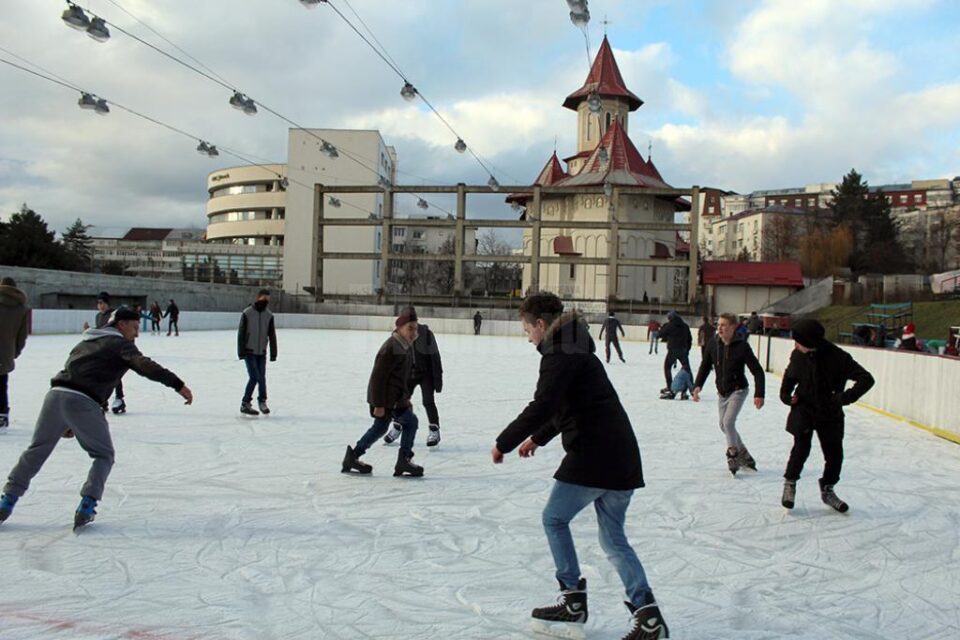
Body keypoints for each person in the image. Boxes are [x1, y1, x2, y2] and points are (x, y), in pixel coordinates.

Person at [491, 292, 669, 640]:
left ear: (541, 325)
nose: (527, 337)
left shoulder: (559, 354)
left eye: (527, 329)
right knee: (614, 540)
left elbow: (543, 405)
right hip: (621, 456)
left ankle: (572, 599)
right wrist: (537, 439)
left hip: (594, 455)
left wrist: (504, 442)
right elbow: (565, 406)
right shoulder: (575, 347)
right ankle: (648, 617)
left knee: (553, 519)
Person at [0, 307, 193, 529]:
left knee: (36, 450)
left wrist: (68, 418)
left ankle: (7, 501)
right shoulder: (119, 344)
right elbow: (144, 366)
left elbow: (77, 371)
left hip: (55, 397)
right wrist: (177, 384)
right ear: (121, 325)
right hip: (82, 401)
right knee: (104, 455)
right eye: (134, 327)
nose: (136, 334)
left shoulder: (85, 342)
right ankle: (87, 505)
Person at [779, 319, 874, 513]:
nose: (795, 344)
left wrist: (844, 398)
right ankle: (790, 483)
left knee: (834, 455)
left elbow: (866, 379)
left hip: (829, 412)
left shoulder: (838, 357)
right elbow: (789, 378)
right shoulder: (798, 355)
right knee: (800, 449)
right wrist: (787, 397)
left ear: (810, 341)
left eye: (798, 341)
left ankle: (828, 489)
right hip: (804, 409)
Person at [341, 308, 423, 477]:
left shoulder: (404, 345)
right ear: (400, 328)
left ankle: (354, 456)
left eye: (416, 328)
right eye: (410, 328)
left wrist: (405, 398)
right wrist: (378, 405)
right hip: (384, 399)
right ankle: (403, 460)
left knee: (382, 428)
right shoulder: (392, 347)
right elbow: (378, 378)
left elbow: (402, 378)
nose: (414, 332)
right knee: (408, 422)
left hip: (394, 399)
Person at [692, 313, 766, 475]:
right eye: (719, 324)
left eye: (724, 325)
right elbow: (705, 366)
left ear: (733, 327)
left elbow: (758, 371)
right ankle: (744, 453)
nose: (720, 327)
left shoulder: (742, 346)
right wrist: (697, 385)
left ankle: (732, 453)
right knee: (723, 425)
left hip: (738, 390)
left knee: (728, 422)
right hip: (722, 392)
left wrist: (759, 393)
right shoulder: (713, 344)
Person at [384, 308, 443, 447]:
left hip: (426, 374)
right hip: (408, 374)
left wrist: (438, 379)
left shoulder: (426, 334)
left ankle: (434, 430)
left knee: (428, 401)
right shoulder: (398, 334)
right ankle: (397, 427)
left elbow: (435, 357)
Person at [84, 292, 127, 414]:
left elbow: (111, 329)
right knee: (101, 375)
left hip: (115, 347)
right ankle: (102, 400)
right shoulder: (98, 316)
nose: (100, 306)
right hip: (102, 348)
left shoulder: (114, 315)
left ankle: (119, 398)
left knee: (115, 374)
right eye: (98, 303)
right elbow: (100, 331)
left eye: (102, 303)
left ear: (108, 303)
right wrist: (89, 331)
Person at [237, 289, 278, 416]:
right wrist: (241, 352)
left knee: (262, 378)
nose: (265, 302)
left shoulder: (269, 315)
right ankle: (245, 403)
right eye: (263, 299)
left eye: (267, 300)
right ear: (258, 298)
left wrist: (273, 353)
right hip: (249, 351)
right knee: (255, 377)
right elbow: (241, 334)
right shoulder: (247, 313)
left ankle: (262, 401)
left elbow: (272, 335)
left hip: (262, 352)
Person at [0, 277, 29, 429]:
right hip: (5, 354)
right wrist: (13, 353)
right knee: (2, 385)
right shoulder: (21, 308)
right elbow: (22, 336)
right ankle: (2, 415)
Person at [658, 311, 692, 399]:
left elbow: (660, 335)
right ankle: (688, 390)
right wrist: (687, 350)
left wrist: (663, 328)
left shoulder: (669, 325)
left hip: (673, 350)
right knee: (687, 369)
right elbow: (689, 339)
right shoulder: (685, 326)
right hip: (683, 350)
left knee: (667, 367)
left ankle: (670, 386)